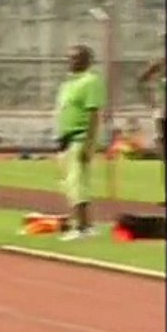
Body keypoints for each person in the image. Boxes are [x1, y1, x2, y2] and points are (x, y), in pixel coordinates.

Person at [55, 45, 106, 240]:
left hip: (80, 137)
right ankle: (85, 224)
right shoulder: (67, 84)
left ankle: (82, 227)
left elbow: (94, 114)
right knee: (69, 184)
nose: (71, 61)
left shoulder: (91, 81)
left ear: (87, 60)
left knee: (77, 184)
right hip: (66, 139)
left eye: (76, 58)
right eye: (69, 58)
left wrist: (89, 144)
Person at [137, 39, 165, 204]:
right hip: (162, 113)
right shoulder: (159, 64)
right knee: (163, 154)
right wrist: (150, 101)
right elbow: (141, 81)